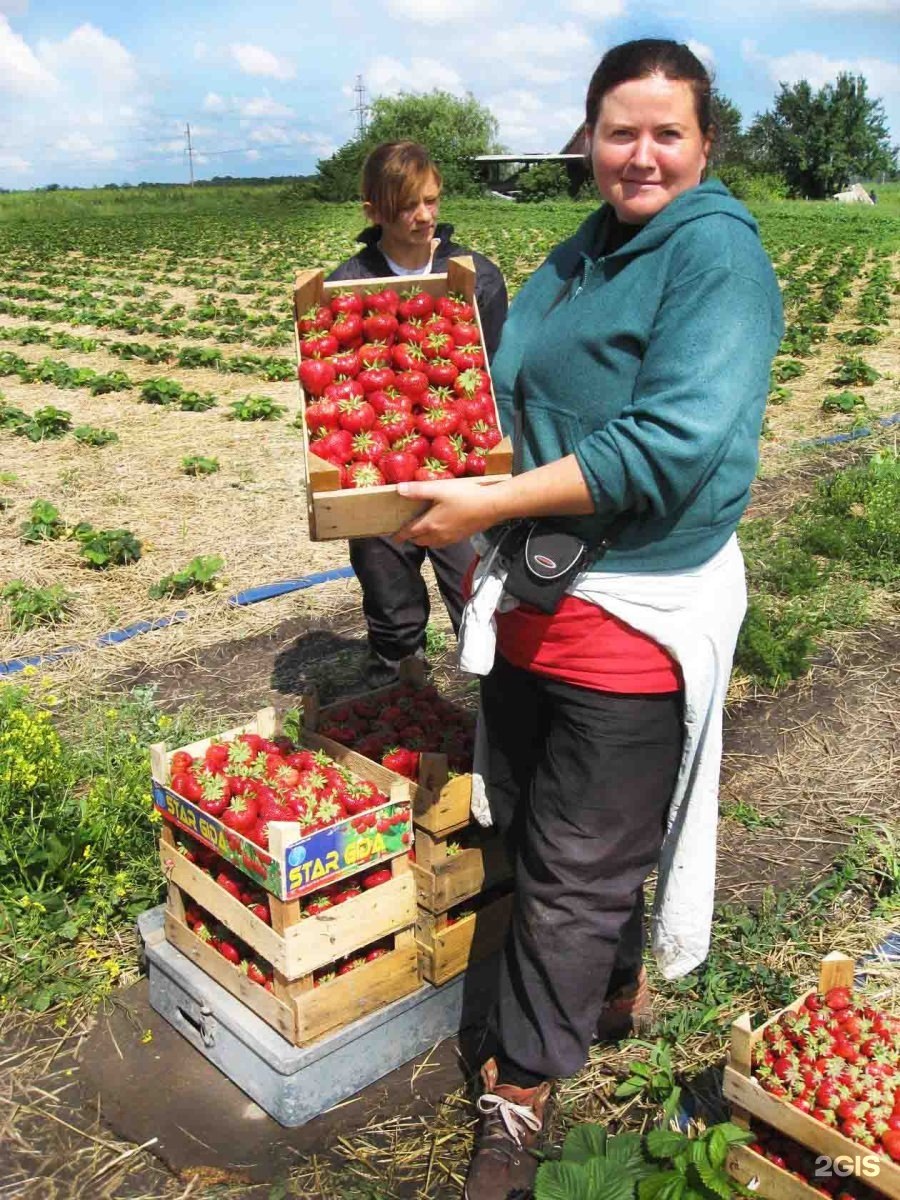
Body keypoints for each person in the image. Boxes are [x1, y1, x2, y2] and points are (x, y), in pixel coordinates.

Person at [392, 39, 784, 1200]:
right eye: (621, 130)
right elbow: (505, 383)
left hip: (634, 607)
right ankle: (610, 987)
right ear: (588, 138)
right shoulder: (582, 252)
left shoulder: (716, 259)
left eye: (669, 131)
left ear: (706, 144)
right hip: (535, 593)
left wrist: (494, 500)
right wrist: (410, 431)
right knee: (548, 829)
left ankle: (519, 1100)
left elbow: (672, 446)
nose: (643, 153)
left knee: (567, 867)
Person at [327, 141, 508, 689]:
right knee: (391, 602)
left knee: (476, 592)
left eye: (430, 200)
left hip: (462, 468)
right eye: (407, 205)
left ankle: (491, 708)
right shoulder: (349, 280)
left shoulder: (477, 277)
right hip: (378, 469)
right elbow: (335, 390)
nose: (424, 216)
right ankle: (397, 694)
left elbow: (496, 375)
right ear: (373, 210)